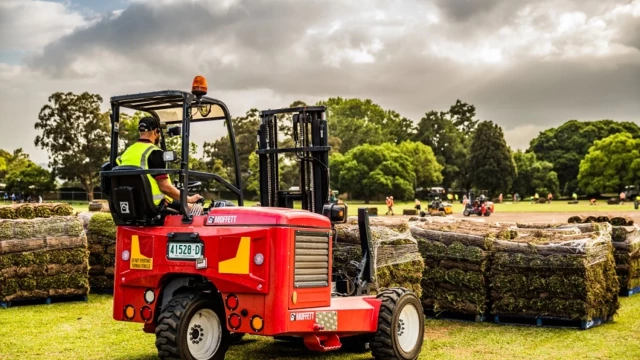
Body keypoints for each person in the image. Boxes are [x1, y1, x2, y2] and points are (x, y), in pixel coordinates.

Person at [116, 117, 203, 212]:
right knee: (198, 209)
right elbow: (165, 187)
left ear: (140, 132)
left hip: (132, 206)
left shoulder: (126, 153)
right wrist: (189, 199)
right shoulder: (154, 152)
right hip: (155, 207)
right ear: (156, 132)